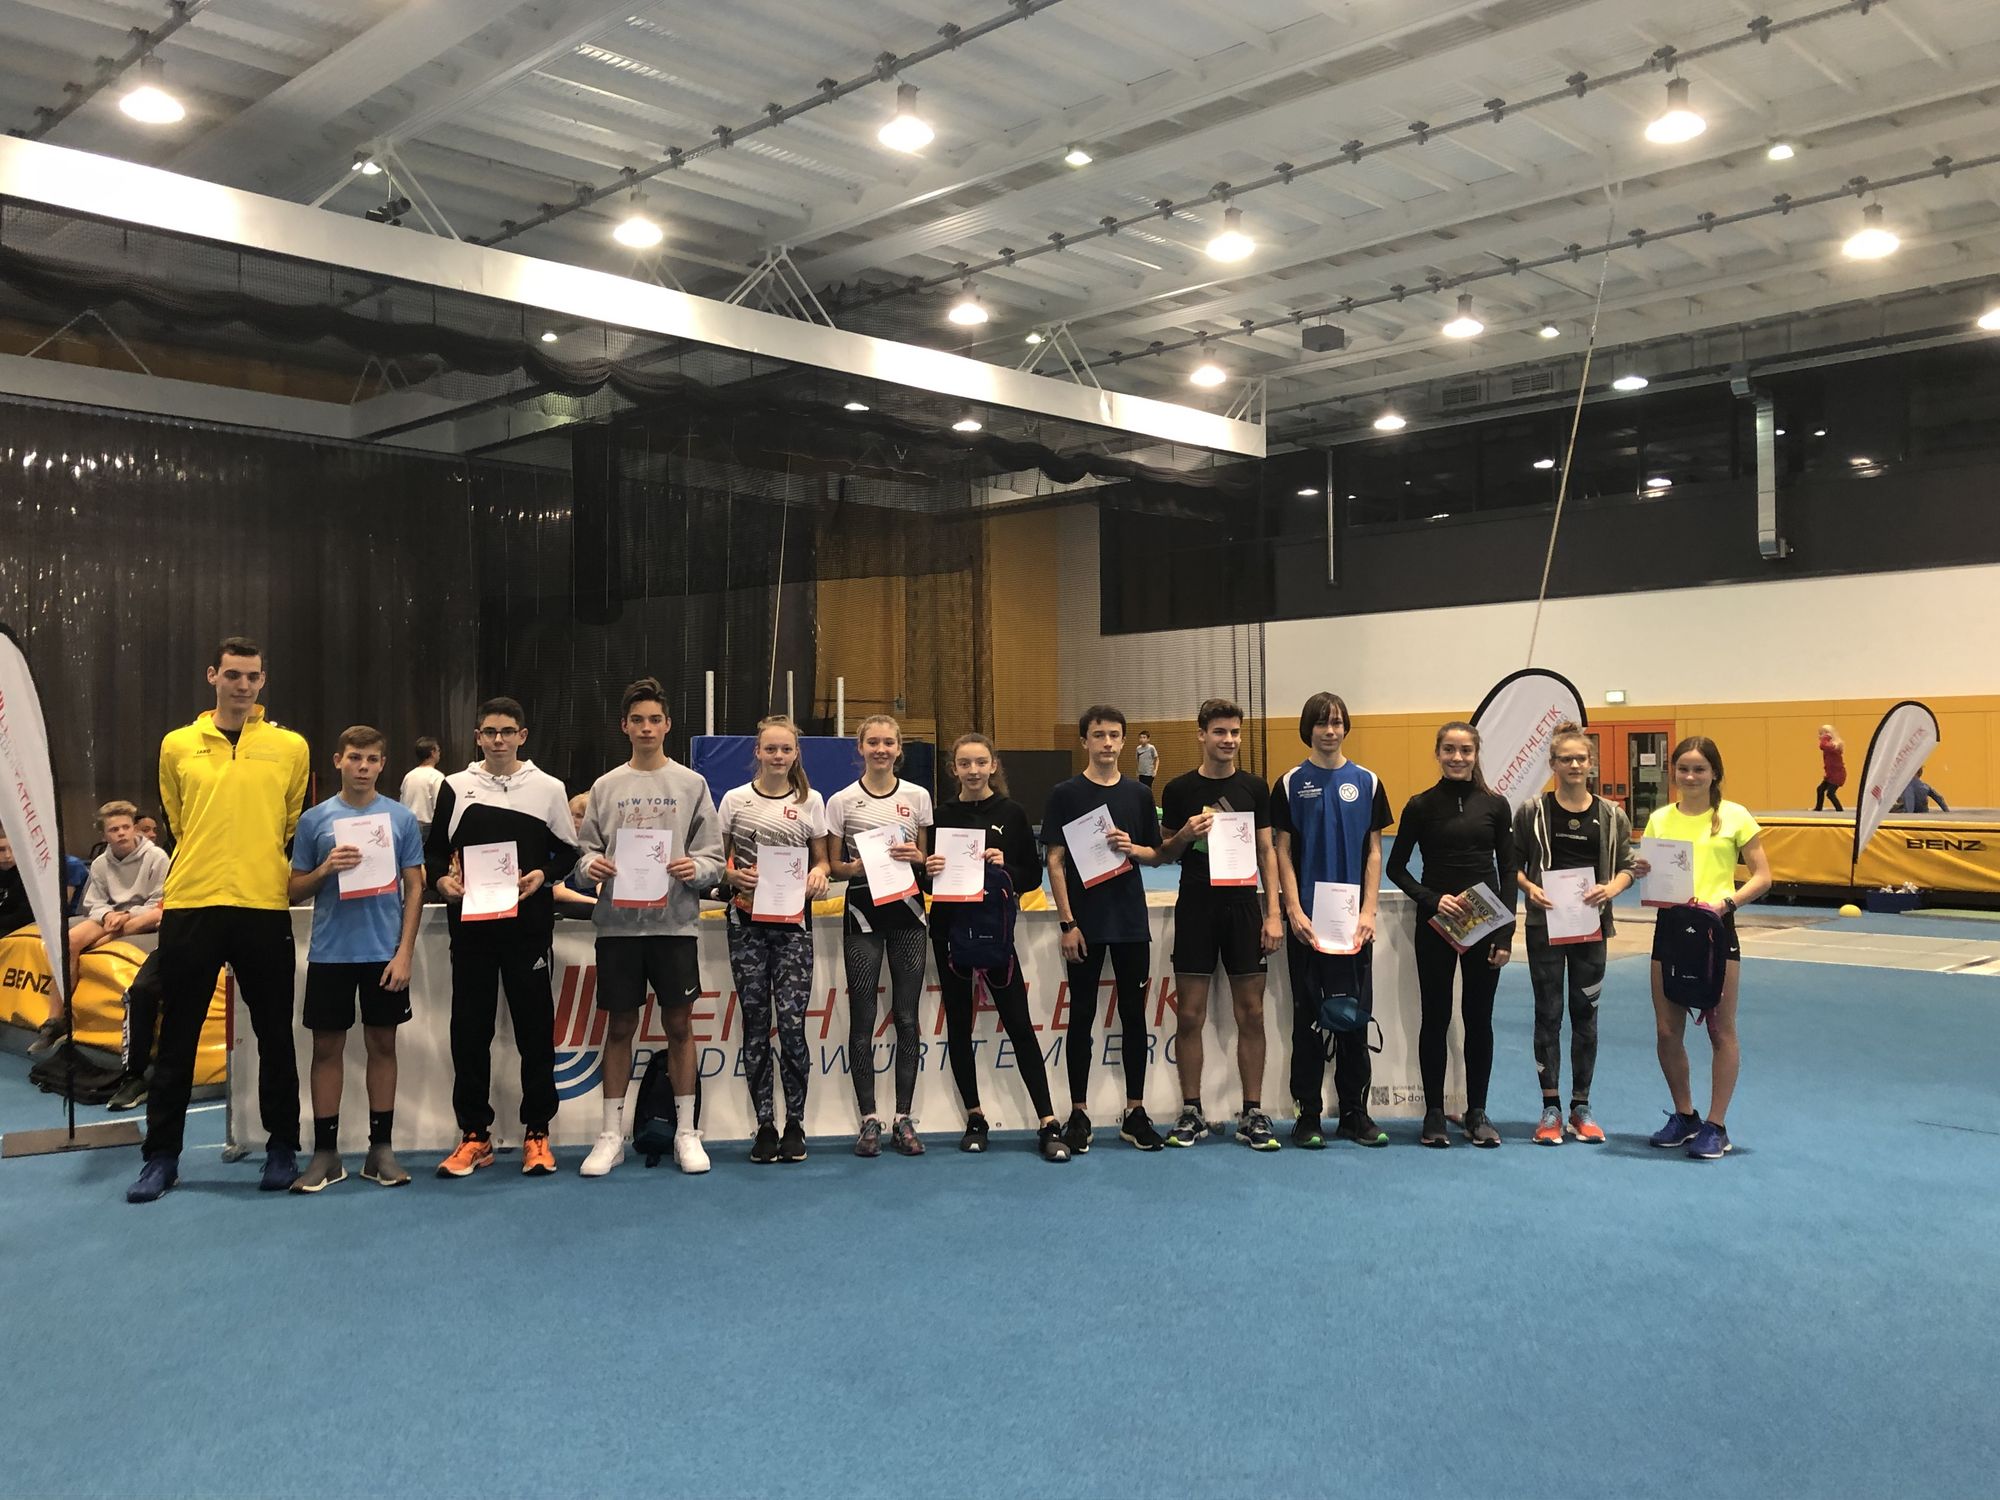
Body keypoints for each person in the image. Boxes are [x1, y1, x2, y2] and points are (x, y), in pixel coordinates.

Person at [127, 636, 310, 1204]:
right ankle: (161, 1158)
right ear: (213, 676)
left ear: (263, 681)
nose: (243, 685)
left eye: (253, 676)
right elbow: (177, 818)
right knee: (177, 1037)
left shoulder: (290, 747)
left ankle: (282, 1148)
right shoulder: (177, 744)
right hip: (192, 903)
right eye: (233, 675)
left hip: (262, 905)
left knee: (275, 1035)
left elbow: (288, 822)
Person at [572, 677, 725, 1178]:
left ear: (667, 725)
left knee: (680, 1026)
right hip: (618, 928)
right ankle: (610, 1136)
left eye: (654, 720)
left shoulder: (692, 784)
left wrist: (695, 869)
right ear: (624, 726)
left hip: (674, 925)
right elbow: (584, 857)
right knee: (620, 1028)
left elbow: (714, 860)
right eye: (637, 720)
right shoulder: (606, 787)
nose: (646, 728)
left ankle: (686, 1132)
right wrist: (590, 866)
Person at [427, 696, 578, 1180]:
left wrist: (543, 875)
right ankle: (475, 1135)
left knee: (535, 1031)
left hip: (528, 932)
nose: (498, 740)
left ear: (522, 736)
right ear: (477, 738)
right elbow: (434, 855)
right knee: (470, 1032)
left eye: (507, 731)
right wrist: (441, 881)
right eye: (489, 732)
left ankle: (538, 1132)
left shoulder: (549, 788)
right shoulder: (455, 787)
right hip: (471, 931)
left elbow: (568, 852)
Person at [287, 725, 427, 1192]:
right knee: (326, 1050)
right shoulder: (314, 821)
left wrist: (404, 952)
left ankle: (380, 1150)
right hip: (330, 953)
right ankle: (325, 1154)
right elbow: (293, 889)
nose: (362, 767)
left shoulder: (401, 819)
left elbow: (415, 887)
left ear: (382, 764)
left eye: (371, 759)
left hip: (383, 954)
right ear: (338, 761)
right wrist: (326, 868)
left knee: (383, 1047)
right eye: (354, 758)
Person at [925, 732, 1069, 1162]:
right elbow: (925, 883)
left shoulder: (1012, 813)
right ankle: (975, 1117)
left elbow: (1031, 877)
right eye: (964, 763)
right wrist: (929, 870)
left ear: (993, 766)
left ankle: (1047, 1120)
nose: (973, 770)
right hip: (950, 933)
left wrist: (1007, 865)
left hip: (996, 933)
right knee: (959, 1026)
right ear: (954, 769)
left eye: (980, 762)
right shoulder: (940, 815)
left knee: (1019, 1025)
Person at [1633, 737, 1772, 1160]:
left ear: (1714, 774)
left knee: (1720, 1030)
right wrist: (1641, 869)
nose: (1690, 776)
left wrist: (1726, 903)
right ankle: (1684, 1115)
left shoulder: (1735, 816)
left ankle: (1716, 1125)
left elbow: (1763, 876)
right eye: (1683, 769)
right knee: (1666, 1030)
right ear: (1673, 773)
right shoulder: (1659, 819)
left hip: (1715, 929)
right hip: (1670, 928)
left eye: (1699, 769)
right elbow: (1649, 872)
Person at [1157, 698, 1284, 1150]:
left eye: (1234, 732)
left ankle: (1253, 1112)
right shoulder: (1178, 789)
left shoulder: (1255, 787)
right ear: (1201, 734)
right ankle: (1191, 1109)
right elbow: (1164, 853)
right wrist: (1185, 835)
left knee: (1251, 1013)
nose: (1228, 740)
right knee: (1190, 1014)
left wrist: (1273, 913)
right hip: (1196, 908)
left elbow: (1267, 851)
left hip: (1244, 909)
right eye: (1219, 732)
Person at [1043, 704, 1167, 1153]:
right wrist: (1068, 922)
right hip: (1085, 925)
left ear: (1124, 741)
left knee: (1134, 1018)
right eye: (1099, 735)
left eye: (1115, 735)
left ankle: (1135, 1112)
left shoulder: (1137, 795)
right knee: (1081, 1018)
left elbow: (1157, 855)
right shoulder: (1065, 793)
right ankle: (1079, 1113)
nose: (1108, 743)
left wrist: (1133, 848)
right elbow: (1054, 861)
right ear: (1085, 741)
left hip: (1130, 922)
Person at [1271, 691, 1392, 1150]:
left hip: (1353, 924)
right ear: (1309, 729)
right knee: (1307, 1020)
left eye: (1337, 722)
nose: (1330, 730)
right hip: (1307, 922)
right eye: (1322, 723)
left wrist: (1368, 912)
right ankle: (1308, 1115)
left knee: (1353, 1017)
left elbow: (1374, 852)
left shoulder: (1368, 782)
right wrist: (1293, 909)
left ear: (1345, 728)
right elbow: (1282, 851)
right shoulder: (1289, 784)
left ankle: (1354, 1113)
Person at [1388, 721, 1517, 1149]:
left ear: (1476, 754)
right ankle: (1434, 1112)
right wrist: (1432, 899)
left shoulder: (1495, 805)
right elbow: (1396, 867)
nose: (1457, 757)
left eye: (1465, 750)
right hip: (1437, 926)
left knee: (1479, 1019)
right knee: (1436, 1017)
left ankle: (1477, 1112)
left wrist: (1505, 933)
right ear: (1438, 753)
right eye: (1449, 749)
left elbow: (1508, 871)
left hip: (1485, 926)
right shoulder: (1420, 805)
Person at [1515, 723, 1637, 1146]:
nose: (1573, 765)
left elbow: (1628, 866)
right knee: (1548, 1014)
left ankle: (1580, 1107)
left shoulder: (1612, 815)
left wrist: (1612, 888)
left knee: (1586, 1016)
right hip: (1544, 928)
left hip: (1591, 929)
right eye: (1565, 759)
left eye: (1580, 758)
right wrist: (1529, 888)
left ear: (1591, 763)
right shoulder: (1532, 811)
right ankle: (1550, 1108)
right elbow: (1511, 863)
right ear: (1552, 764)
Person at [717, 715, 831, 1164]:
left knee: (792, 1025)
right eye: (771, 749)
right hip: (746, 924)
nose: (778, 756)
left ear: (796, 754)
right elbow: (716, 861)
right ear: (757, 752)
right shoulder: (734, 799)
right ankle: (764, 1123)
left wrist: (819, 874)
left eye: (786, 749)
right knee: (755, 1024)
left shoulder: (811, 801)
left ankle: (795, 1123)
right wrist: (731, 876)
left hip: (793, 926)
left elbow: (822, 860)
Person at [826, 715, 934, 1157]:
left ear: (899, 748)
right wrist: (853, 867)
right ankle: (868, 1118)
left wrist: (917, 856)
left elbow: (925, 858)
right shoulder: (841, 801)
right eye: (873, 742)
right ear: (860, 747)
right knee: (863, 1017)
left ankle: (903, 1117)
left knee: (907, 1017)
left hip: (908, 912)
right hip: (862, 912)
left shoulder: (918, 796)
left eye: (889, 742)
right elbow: (834, 866)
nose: (881, 749)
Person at [29, 801, 170, 1055]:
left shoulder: (157, 857)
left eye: (126, 827)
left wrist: (126, 915)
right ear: (104, 835)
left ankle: (108, 937)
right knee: (68, 942)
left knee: (146, 918)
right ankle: (56, 1019)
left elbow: (159, 900)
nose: (122, 833)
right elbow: (94, 902)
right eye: (114, 829)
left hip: (143, 914)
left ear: (134, 828)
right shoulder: (100, 864)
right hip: (110, 915)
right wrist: (107, 915)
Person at [554, 793, 599, 916]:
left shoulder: (596, 849)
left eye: (579, 816)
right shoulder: (558, 848)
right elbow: (558, 892)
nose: (572, 820)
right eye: (570, 815)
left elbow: (601, 885)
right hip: (568, 903)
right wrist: (595, 902)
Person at [398, 736, 445, 838]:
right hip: (428, 828)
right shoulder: (437, 776)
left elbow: (402, 802)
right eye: (438, 750)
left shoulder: (409, 776)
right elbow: (440, 806)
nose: (439, 753)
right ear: (433, 752)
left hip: (408, 825)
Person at [1814, 725, 1846, 812]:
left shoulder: (1834, 745)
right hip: (1831, 775)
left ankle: (1839, 810)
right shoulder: (1830, 745)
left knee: (1830, 793)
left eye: (1822, 733)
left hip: (1837, 775)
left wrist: (1825, 737)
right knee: (1820, 789)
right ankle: (1818, 808)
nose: (1820, 736)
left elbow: (1823, 746)